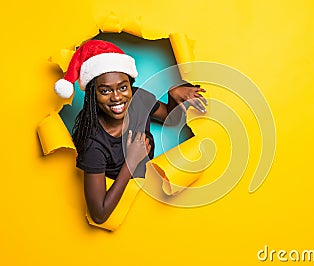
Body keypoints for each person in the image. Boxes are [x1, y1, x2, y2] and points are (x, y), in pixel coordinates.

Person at [54, 40, 207, 224]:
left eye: (123, 87)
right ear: (93, 94)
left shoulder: (138, 98)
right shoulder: (93, 144)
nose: (117, 97)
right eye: (105, 91)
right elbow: (99, 214)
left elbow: (170, 119)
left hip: (158, 197)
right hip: (131, 205)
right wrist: (131, 161)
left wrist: (173, 94)